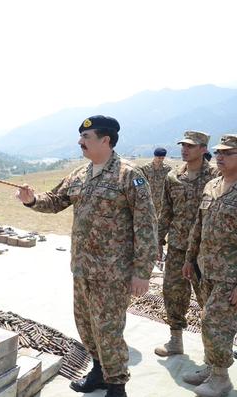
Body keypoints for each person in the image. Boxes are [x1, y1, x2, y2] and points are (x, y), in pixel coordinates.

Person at [16, 115, 157, 397]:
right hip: (82, 269)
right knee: (86, 325)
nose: (80, 142)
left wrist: (142, 271)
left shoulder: (129, 176)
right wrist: (31, 200)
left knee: (108, 330)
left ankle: (117, 385)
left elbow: (146, 226)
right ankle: (98, 371)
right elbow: (56, 201)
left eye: (87, 138)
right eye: (81, 137)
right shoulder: (80, 174)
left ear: (106, 140)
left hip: (112, 273)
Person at [181, 134, 237, 397]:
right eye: (219, 153)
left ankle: (221, 379)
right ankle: (211, 367)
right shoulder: (213, 185)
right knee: (210, 323)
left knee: (213, 323)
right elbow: (199, 226)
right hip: (206, 270)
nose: (220, 157)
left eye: (228, 153)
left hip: (230, 276)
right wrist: (190, 258)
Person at [155, 131, 219, 357]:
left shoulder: (216, 177)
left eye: (190, 146)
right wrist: (158, 240)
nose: (184, 149)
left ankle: (217, 349)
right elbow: (166, 212)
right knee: (172, 292)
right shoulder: (173, 177)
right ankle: (175, 340)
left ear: (203, 149)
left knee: (209, 300)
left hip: (206, 251)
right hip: (177, 247)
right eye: (183, 145)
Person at [138, 147, 172, 215]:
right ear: (155, 156)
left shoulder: (167, 169)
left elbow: (171, 184)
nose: (161, 160)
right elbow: (139, 183)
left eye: (162, 158)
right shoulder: (145, 168)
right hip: (147, 200)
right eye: (159, 158)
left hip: (161, 201)